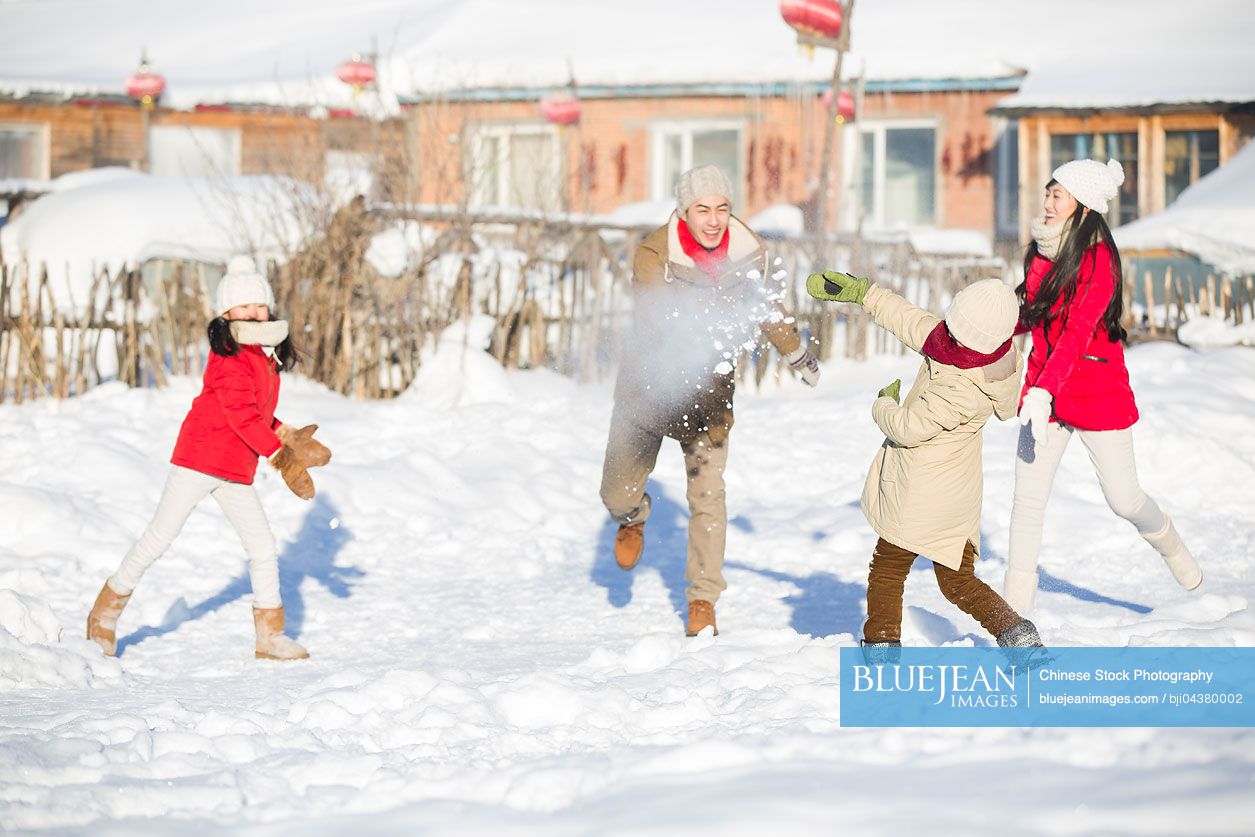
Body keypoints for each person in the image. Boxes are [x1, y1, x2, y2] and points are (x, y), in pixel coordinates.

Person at [599, 164, 821, 637]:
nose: (714, 219)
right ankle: (633, 517)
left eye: (722, 208)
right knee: (615, 492)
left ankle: (703, 598)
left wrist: (796, 353)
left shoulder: (747, 254)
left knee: (708, 500)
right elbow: (653, 316)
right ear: (684, 210)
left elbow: (765, 308)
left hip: (708, 397)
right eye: (703, 209)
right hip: (648, 390)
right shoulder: (656, 252)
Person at [86, 256, 332, 660]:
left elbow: (258, 414)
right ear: (227, 312)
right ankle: (104, 615)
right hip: (199, 460)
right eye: (244, 306)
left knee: (263, 547)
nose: (253, 312)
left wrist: (285, 433)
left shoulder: (264, 356)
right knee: (158, 539)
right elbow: (240, 415)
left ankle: (269, 635)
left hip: (236, 468)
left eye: (259, 305)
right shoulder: (232, 356)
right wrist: (280, 455)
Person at [1002, 159, 1202, 613]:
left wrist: (1042, 391)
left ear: (1084, 207)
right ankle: (1014, 620)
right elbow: (1029, 315)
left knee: (1124, 498)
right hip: (1044, 394)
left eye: (1058, 195)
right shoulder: (1041, 250)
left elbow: (1075, 335)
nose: (1048, 203)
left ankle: (1169, 542)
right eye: (1048, 193)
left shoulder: (1099, 261)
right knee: (1027, 501)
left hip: (1093, 390)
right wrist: (978, 332)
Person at [808, 271, 1043, 649]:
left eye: (954, 324)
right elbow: (912, 321)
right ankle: (1016, 632)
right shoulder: (986, 355)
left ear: (967, 334)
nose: (945, 327)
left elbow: (908, 427)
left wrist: (883, 403)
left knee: (887, 569)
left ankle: (881, 645)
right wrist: (865, 294)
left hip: (922, 492)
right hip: (959, 496)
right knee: (957, 582)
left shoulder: (959, 386)